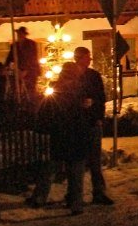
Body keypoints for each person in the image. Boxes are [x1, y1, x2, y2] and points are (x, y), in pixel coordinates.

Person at [28, 62, 88, 215]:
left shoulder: (56, 90)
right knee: (75, 171)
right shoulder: (80, 90)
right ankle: (76, 203)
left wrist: (45, 127)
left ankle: (40, 197)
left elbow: (46, 111)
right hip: (77, 136)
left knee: (51, 168)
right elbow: (85, 113)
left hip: (60, 135)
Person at [74, 47, 114, 205]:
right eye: (86, 57)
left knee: (95, 160)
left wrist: (98, 116)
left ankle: (99, 192)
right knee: (78, 160)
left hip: (91, 121)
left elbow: (100, 97)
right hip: (77, 123)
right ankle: (74, 195)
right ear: (79, 58)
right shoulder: (71, 76)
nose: (89, 60)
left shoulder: (93, 75)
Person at [6, 26, 41, 105]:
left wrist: (26, 70)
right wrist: (6, 66)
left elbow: (33, 58)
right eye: (18, 34)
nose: (19, 36)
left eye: (21, 34)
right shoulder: (14, 45)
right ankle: (20, 104)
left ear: (24, 34)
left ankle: (31, 105)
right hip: (18, 70)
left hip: (31, 71)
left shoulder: (31, 44)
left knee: (30, 90)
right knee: (17, 89)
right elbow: (10, 57)